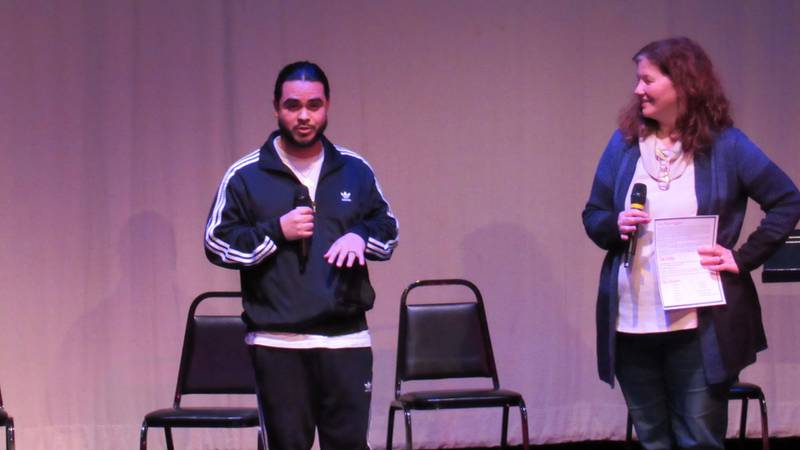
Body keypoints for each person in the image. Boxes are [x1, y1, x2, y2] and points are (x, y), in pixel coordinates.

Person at [582, 37, 800, 449]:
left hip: (699, 324)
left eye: (647, 79)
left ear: (682, 83)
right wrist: (616, 222)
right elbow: (592, 217)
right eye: (637, 80)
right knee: (653, 439)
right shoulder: (623, 145)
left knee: (698, 438)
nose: (637, 90)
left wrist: (742, 257)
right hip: (632, 322)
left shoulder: (727, 146)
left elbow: (787, 200)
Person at [204, 61, 398, 450]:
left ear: (328, 106)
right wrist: (277, 231)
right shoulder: (246, 174)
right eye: (293, 105)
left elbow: (388, 231)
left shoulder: (354, 170)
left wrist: (361, 237)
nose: (304, 115)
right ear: (276, 107)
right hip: (279, 343)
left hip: (345, 339)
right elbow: (216, 243)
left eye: (314, 105)